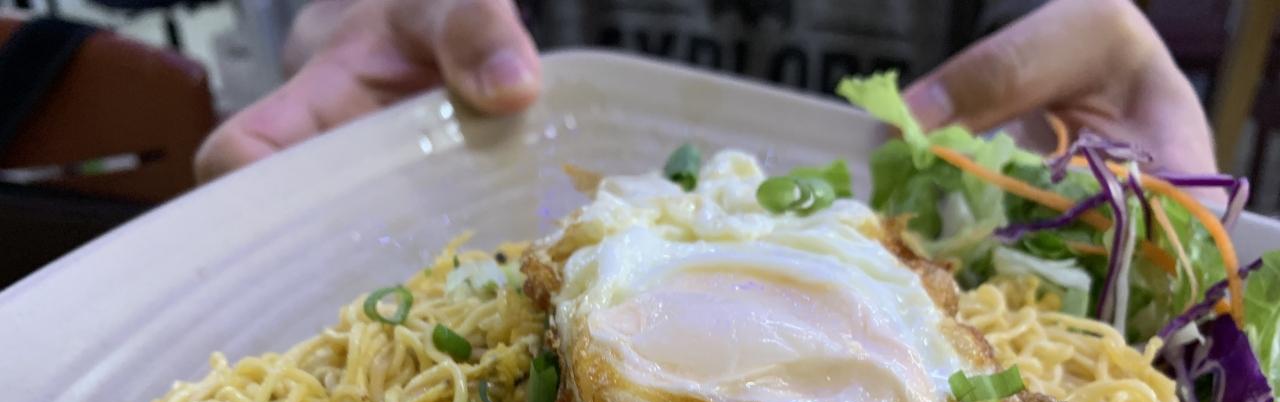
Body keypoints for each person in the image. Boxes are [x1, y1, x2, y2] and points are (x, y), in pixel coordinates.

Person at [195, 0, 1216, 183]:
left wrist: (1114, 99)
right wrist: (348, 38)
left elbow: (1082, 50)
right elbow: (325, 27)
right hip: (482, 203)